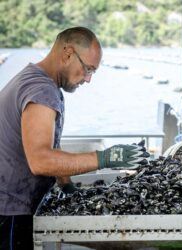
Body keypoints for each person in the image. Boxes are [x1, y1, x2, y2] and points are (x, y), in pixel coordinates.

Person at [0, 27, 149, 249]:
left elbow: (51, 147)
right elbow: (40, 160)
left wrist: (67, 186)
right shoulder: (41, 90)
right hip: (9, 211)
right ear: (68, 53)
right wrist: (107, 157)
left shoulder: (36, 81)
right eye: (87, 69)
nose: (88, 79)